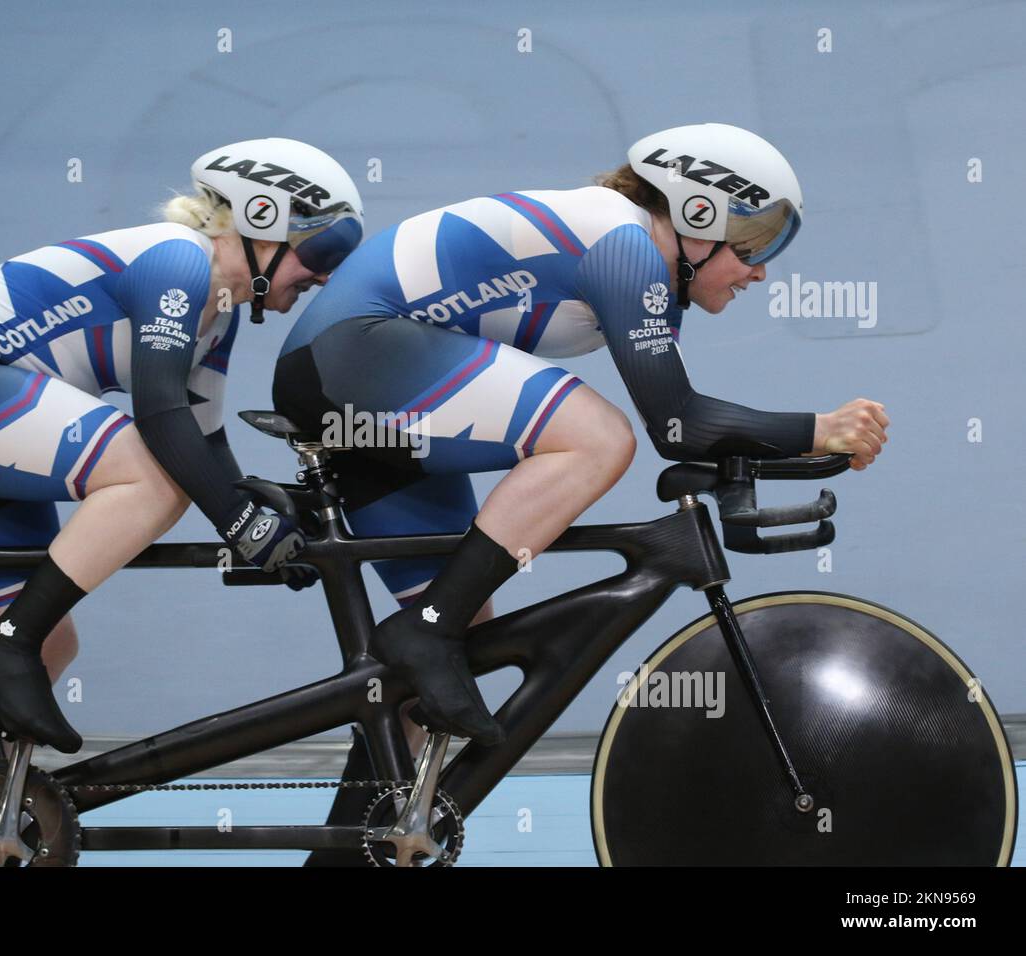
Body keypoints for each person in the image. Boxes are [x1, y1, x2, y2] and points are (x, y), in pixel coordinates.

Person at [271, 123, 888, 863]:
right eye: (752, 242)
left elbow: (690, 419)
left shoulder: (623, 248)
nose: (758, 270)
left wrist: (775, 447)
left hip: (359, 380)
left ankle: (343, 851)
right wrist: (817, 428)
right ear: (696, 217)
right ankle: (426, 626)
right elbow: (678, 424)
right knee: (599, 438)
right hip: (355, 359)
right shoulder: (625, 245)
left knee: (427, 681)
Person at [0, 138, 364, 753]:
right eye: (321, 250)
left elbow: (206, 440)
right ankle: (8, 642)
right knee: (156, 479)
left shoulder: (221, 309)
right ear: (259, 222)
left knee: (54, 645)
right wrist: (240, 522)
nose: (324, 274)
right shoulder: (177, 262)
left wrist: (255, 515)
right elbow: (161, 416)